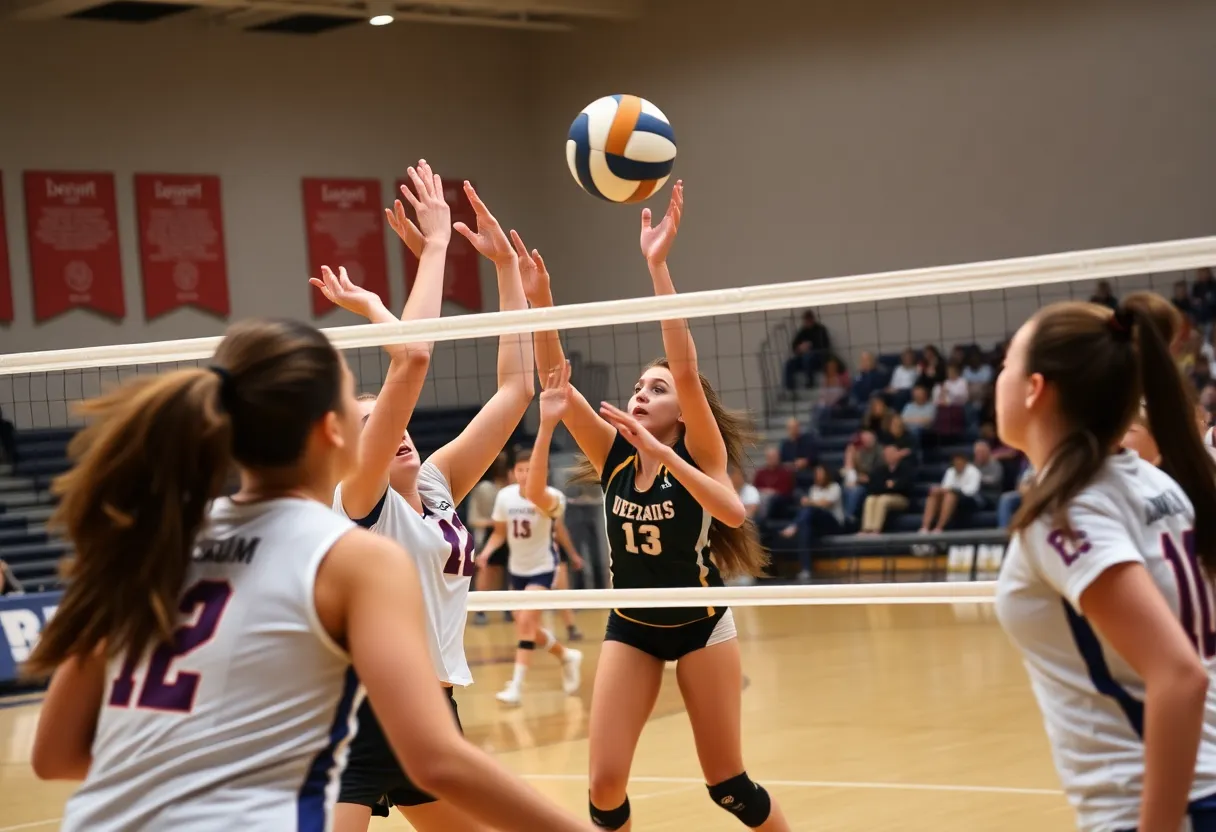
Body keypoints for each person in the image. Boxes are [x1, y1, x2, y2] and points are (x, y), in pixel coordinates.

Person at [27, 318, 592, 832]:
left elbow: (53, 756)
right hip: (335, 749)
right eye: (356, 405)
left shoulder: (151, 540)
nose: (390, 424)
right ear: (333, 430)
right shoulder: (343, 553)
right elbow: (436, 759)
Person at [512, 183, 790, 831]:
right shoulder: (612, 455)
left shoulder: (698, 451)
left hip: (701, 626)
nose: (642, 393)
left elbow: (728, 506)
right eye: (639, 385)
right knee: (604, 786)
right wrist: (540, 302)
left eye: (656, 389)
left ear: (681, 409)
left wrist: (657, 265)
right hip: (632, 624)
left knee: (728, 786)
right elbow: (557, 384)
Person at [319, 169, 539, 832]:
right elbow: (410, 360)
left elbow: (516, 391)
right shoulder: (359, 500)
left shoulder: (438, 484)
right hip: (356, 720)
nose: (394, 430)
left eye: (390, 419)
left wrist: (504, 270)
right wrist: (437, 245)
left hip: (431, 720)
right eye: (371, 426)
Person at [993, 296, 1216, 832]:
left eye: (1006, 364)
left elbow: (1179, 675)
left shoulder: (1069, 511)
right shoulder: (1152, 481)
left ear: (1034, 388)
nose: (998, 379)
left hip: (1160, 807)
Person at [478, 442, 583, 706]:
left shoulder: (552, 497)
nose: (525, 475)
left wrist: (571, 553)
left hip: (543, 568)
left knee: (525, 623)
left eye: (531, 470)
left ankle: (516, 686)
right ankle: (566, 655)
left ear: (542, 472)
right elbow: (499, 533)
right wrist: (486, 553)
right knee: (527, 626)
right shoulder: (505, 497)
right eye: (521, 470)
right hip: (517, 570)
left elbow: (556, 522)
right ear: (513, 473)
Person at [779, 464, 843, 581]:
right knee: (805, 528)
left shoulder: (834, 487)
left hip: (833, 523)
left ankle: (794, 525)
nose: (818, 476)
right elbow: (813, 505)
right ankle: (806, 569)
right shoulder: (814, 489)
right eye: (816, 474)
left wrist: (809, 502)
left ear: (826, 474)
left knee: (810, 510)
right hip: (818, 525)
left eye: (820, 473)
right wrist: (810, 503)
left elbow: (825, 503)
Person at [468, 453, 511, 626]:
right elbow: (474, 519)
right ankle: (480, 610)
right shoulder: (484, 488)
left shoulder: (513, 487)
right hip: (491, 533)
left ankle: (509, 609)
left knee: (510, 571)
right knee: (486, 570)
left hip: (513, 533)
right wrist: (494, 522)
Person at [919, 452, 981, 533]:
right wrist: (939, 490)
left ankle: (939, 527)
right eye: (955, 462)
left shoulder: (974, 471)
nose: (957, 464)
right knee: (933, 494)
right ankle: (925, 527)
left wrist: (953, 490)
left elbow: (971, 490)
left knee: (950, 496)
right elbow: (945, 487)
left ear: (965, 462)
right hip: (951, 495)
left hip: (969, 499)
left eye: (959, 462)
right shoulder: (950, 471)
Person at [859, 445, 915, 534]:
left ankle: (876, 529)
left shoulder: (905, 468)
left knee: (883, 500)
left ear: (897, 454)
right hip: (883, 495)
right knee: (870, 499)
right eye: (886, 455)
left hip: (902, 498)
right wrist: (888, 486)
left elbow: (905, 486)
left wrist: (890, 487)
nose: (888, 456)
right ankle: (867, 528)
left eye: (891, 454)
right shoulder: (880, 470)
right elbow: (873, 486)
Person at [783, 310, 830, 391]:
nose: (807, 322)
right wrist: (799, 348)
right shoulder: (803, 331)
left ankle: (810, 382)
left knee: (807, 358)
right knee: (789, 363)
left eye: (808, 320)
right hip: (803, 359)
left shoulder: (820, 330)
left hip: (817, 359)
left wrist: (810, 346)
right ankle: (789, 388)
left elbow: (825, 346)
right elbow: (794, 346)